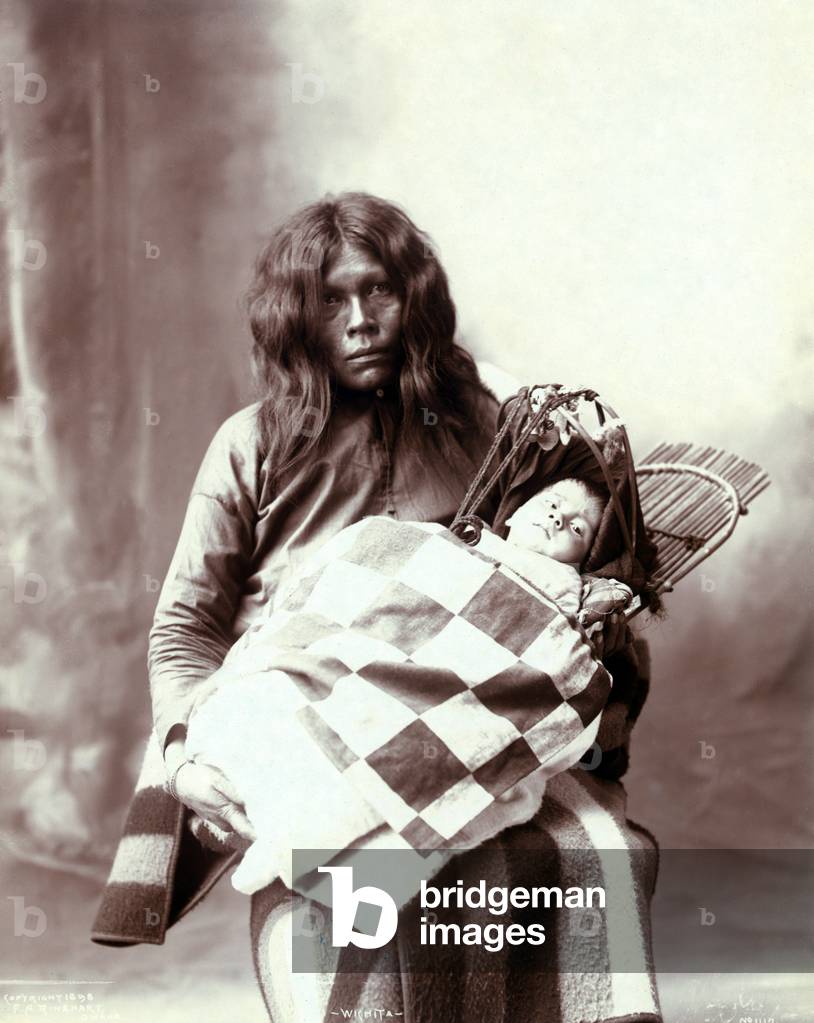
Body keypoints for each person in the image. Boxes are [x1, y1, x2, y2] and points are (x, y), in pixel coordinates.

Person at [132, 191, 660, 1022]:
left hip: (471, 720)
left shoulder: (493, 423)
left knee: (590, 854)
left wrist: (592, 637)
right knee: (357, 888)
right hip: (308, 724)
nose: (360, 320)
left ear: (411, 293)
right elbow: (185, 627)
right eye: (331, 299)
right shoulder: (250, 445)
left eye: (377, 290)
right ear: (296, 317)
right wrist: (186, 758)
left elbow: (574, 566)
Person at [179, 475, 634, 899]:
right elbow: (389, 570)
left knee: (411, 745)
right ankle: (279, 820)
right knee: (340, 691)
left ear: (582, 561)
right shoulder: (456, 541)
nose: (559, 518)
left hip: (469, 668)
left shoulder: (563, 589)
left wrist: (589, 641)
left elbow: (552, 653)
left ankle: (294, 846)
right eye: (553, 503)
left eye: (578, 529)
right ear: (512, 512)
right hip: (388, 641)